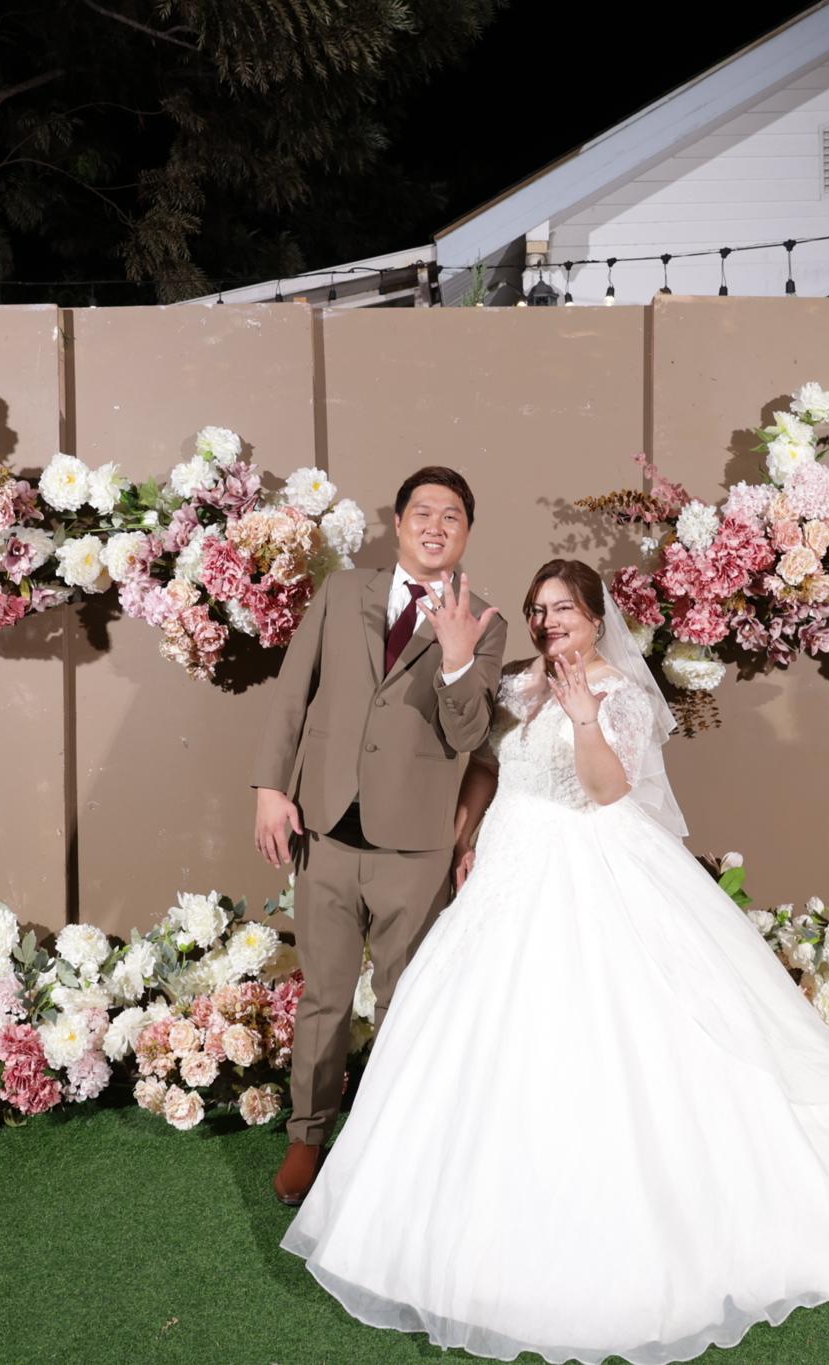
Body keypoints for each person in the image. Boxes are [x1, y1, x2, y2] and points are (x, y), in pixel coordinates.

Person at [280, 557, 829, 1365]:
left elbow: (607, 792)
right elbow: (487, 763)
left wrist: (587, 718)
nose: (551, 621)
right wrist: (469, 830)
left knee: (606, 1037)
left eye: (565, 609)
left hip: (587, 868)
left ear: (595, 619)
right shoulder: (519, 685)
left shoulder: (617, 693)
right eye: (540, 608)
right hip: (508, 868)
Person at [251, 465, 509, 1207]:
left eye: (451, 516)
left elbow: (471, 734)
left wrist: (457, 656)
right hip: (325, 828)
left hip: (416, 844)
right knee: (324, 999)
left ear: (466, 533)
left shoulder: (484, 621)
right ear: (398, 524)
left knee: (405, 1002)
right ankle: (307, 1139)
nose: (435, 525)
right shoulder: (340, 594)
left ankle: (386, 1145)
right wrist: (271, 788)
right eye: (422, 512)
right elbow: (293, 692)